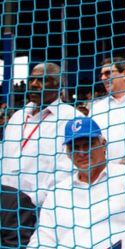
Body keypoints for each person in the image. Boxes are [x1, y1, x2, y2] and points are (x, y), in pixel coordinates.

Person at [21, 117, 125, 249]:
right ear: (68, 153)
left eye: (88, 144)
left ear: (103, 145)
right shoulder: (57, 193)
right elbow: (43, 240)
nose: (82, 153)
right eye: (75, 147)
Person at [0, 63, 81, 207]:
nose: (34, 84)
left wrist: (31, 202)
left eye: (42, 80)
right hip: (6, 206)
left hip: (45, 208)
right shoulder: (18, 117)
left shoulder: (71, 118)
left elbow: (68, 170)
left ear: (57, 84)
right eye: (31, 80)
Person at [89, 56, 125, 166]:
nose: (103, 78)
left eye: (108, 73)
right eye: (102, 75)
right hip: (106, 175)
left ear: (124, 73)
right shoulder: (96, 108)